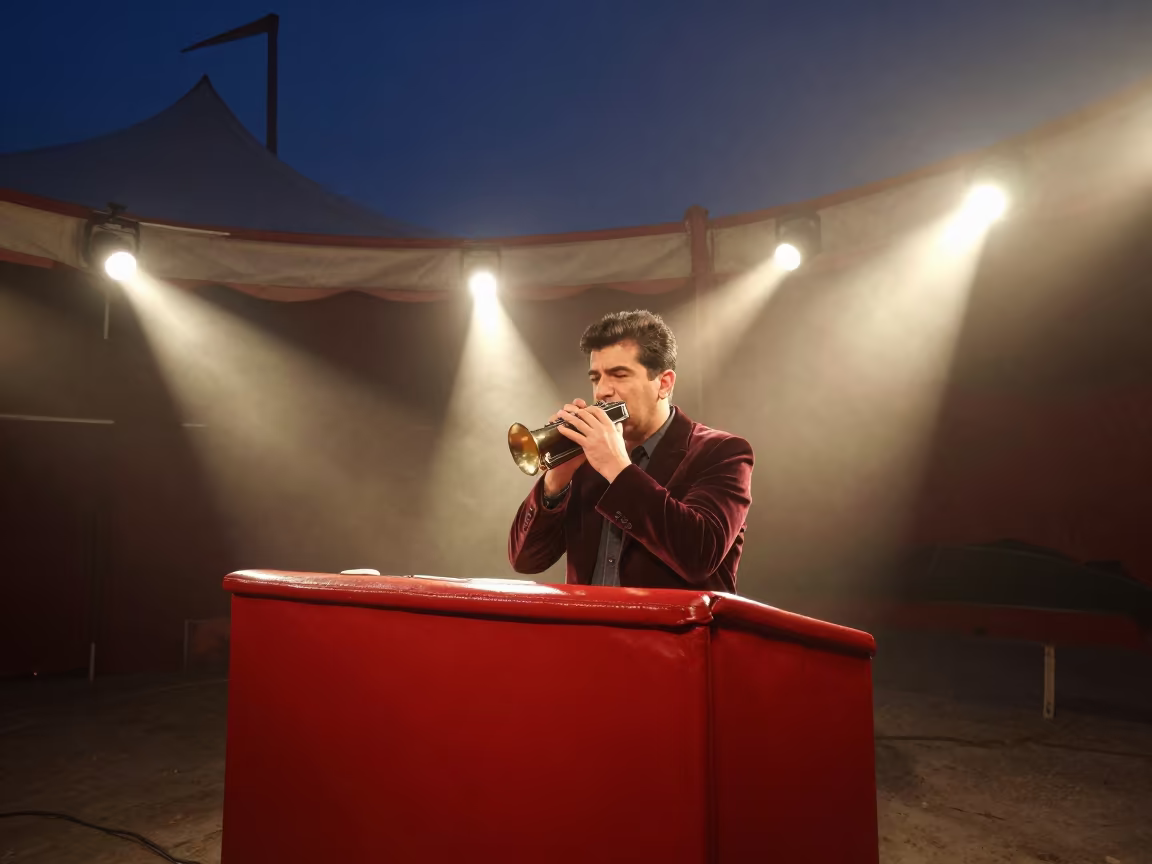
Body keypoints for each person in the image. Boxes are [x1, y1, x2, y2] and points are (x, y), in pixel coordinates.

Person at [508, 310, 753, 592]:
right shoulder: (588, 459)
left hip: (671, 635)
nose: (601, 391)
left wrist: (618, 469)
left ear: (664, 383)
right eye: (595, 378)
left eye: (619, 375)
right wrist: (555, 482)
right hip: (592, 634)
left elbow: (699, 555)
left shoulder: (723, 452)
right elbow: (525, 560)